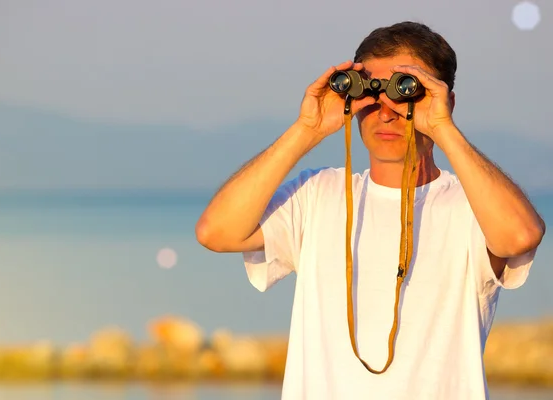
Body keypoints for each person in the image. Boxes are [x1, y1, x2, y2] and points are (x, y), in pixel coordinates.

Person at [195, 21, 546, 399]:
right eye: (373, 92)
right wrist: (307, 129)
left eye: (406, 91)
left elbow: (520, 236)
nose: (387, 111)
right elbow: (216, 231)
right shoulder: (318, 194)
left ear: (445, 99)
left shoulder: (473, 207)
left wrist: (443, 126)